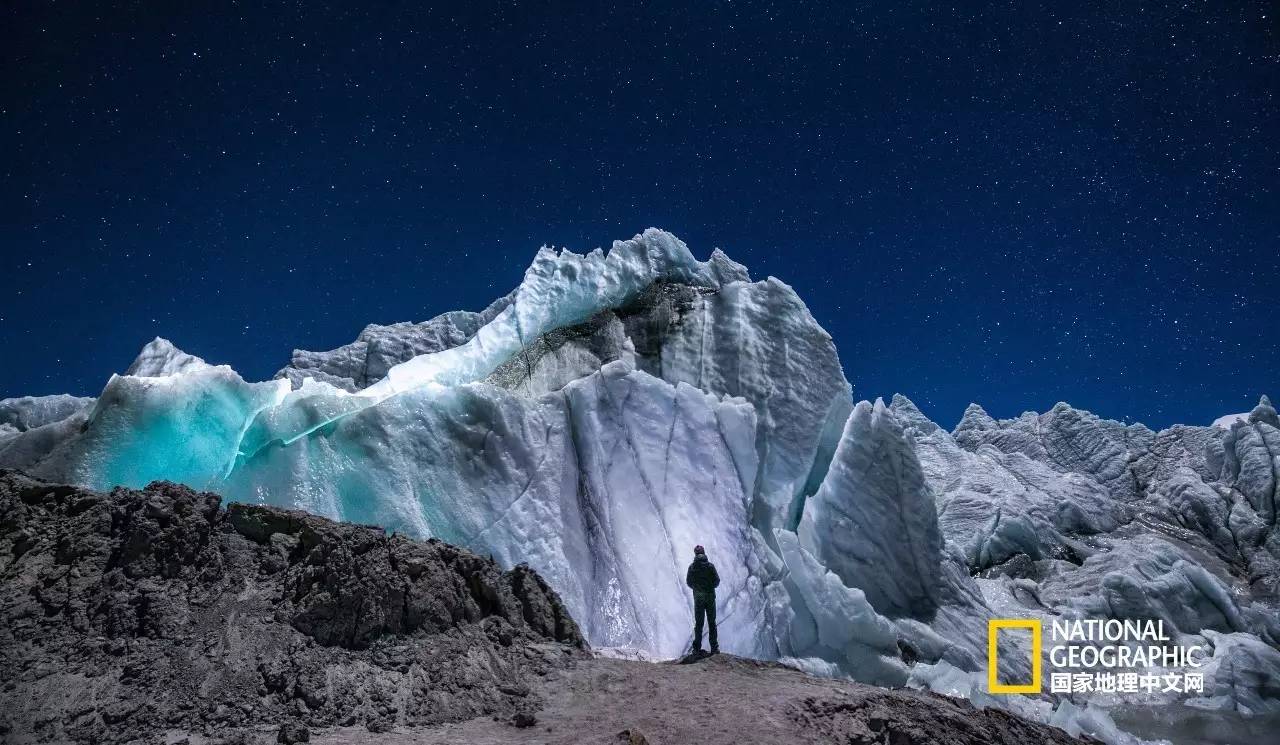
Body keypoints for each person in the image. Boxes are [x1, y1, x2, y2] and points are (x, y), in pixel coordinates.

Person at [685, 544, 720, 655]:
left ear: (695, 554)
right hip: (710, 598)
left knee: (699, 624)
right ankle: (714, 648)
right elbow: (717, 581)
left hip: (699, 599)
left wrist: (697, 589)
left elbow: (689, 582)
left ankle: (696, 649)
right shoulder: (710, 566)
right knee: (712, 623)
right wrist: (709, 587)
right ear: (704, 553)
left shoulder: (692, 567)